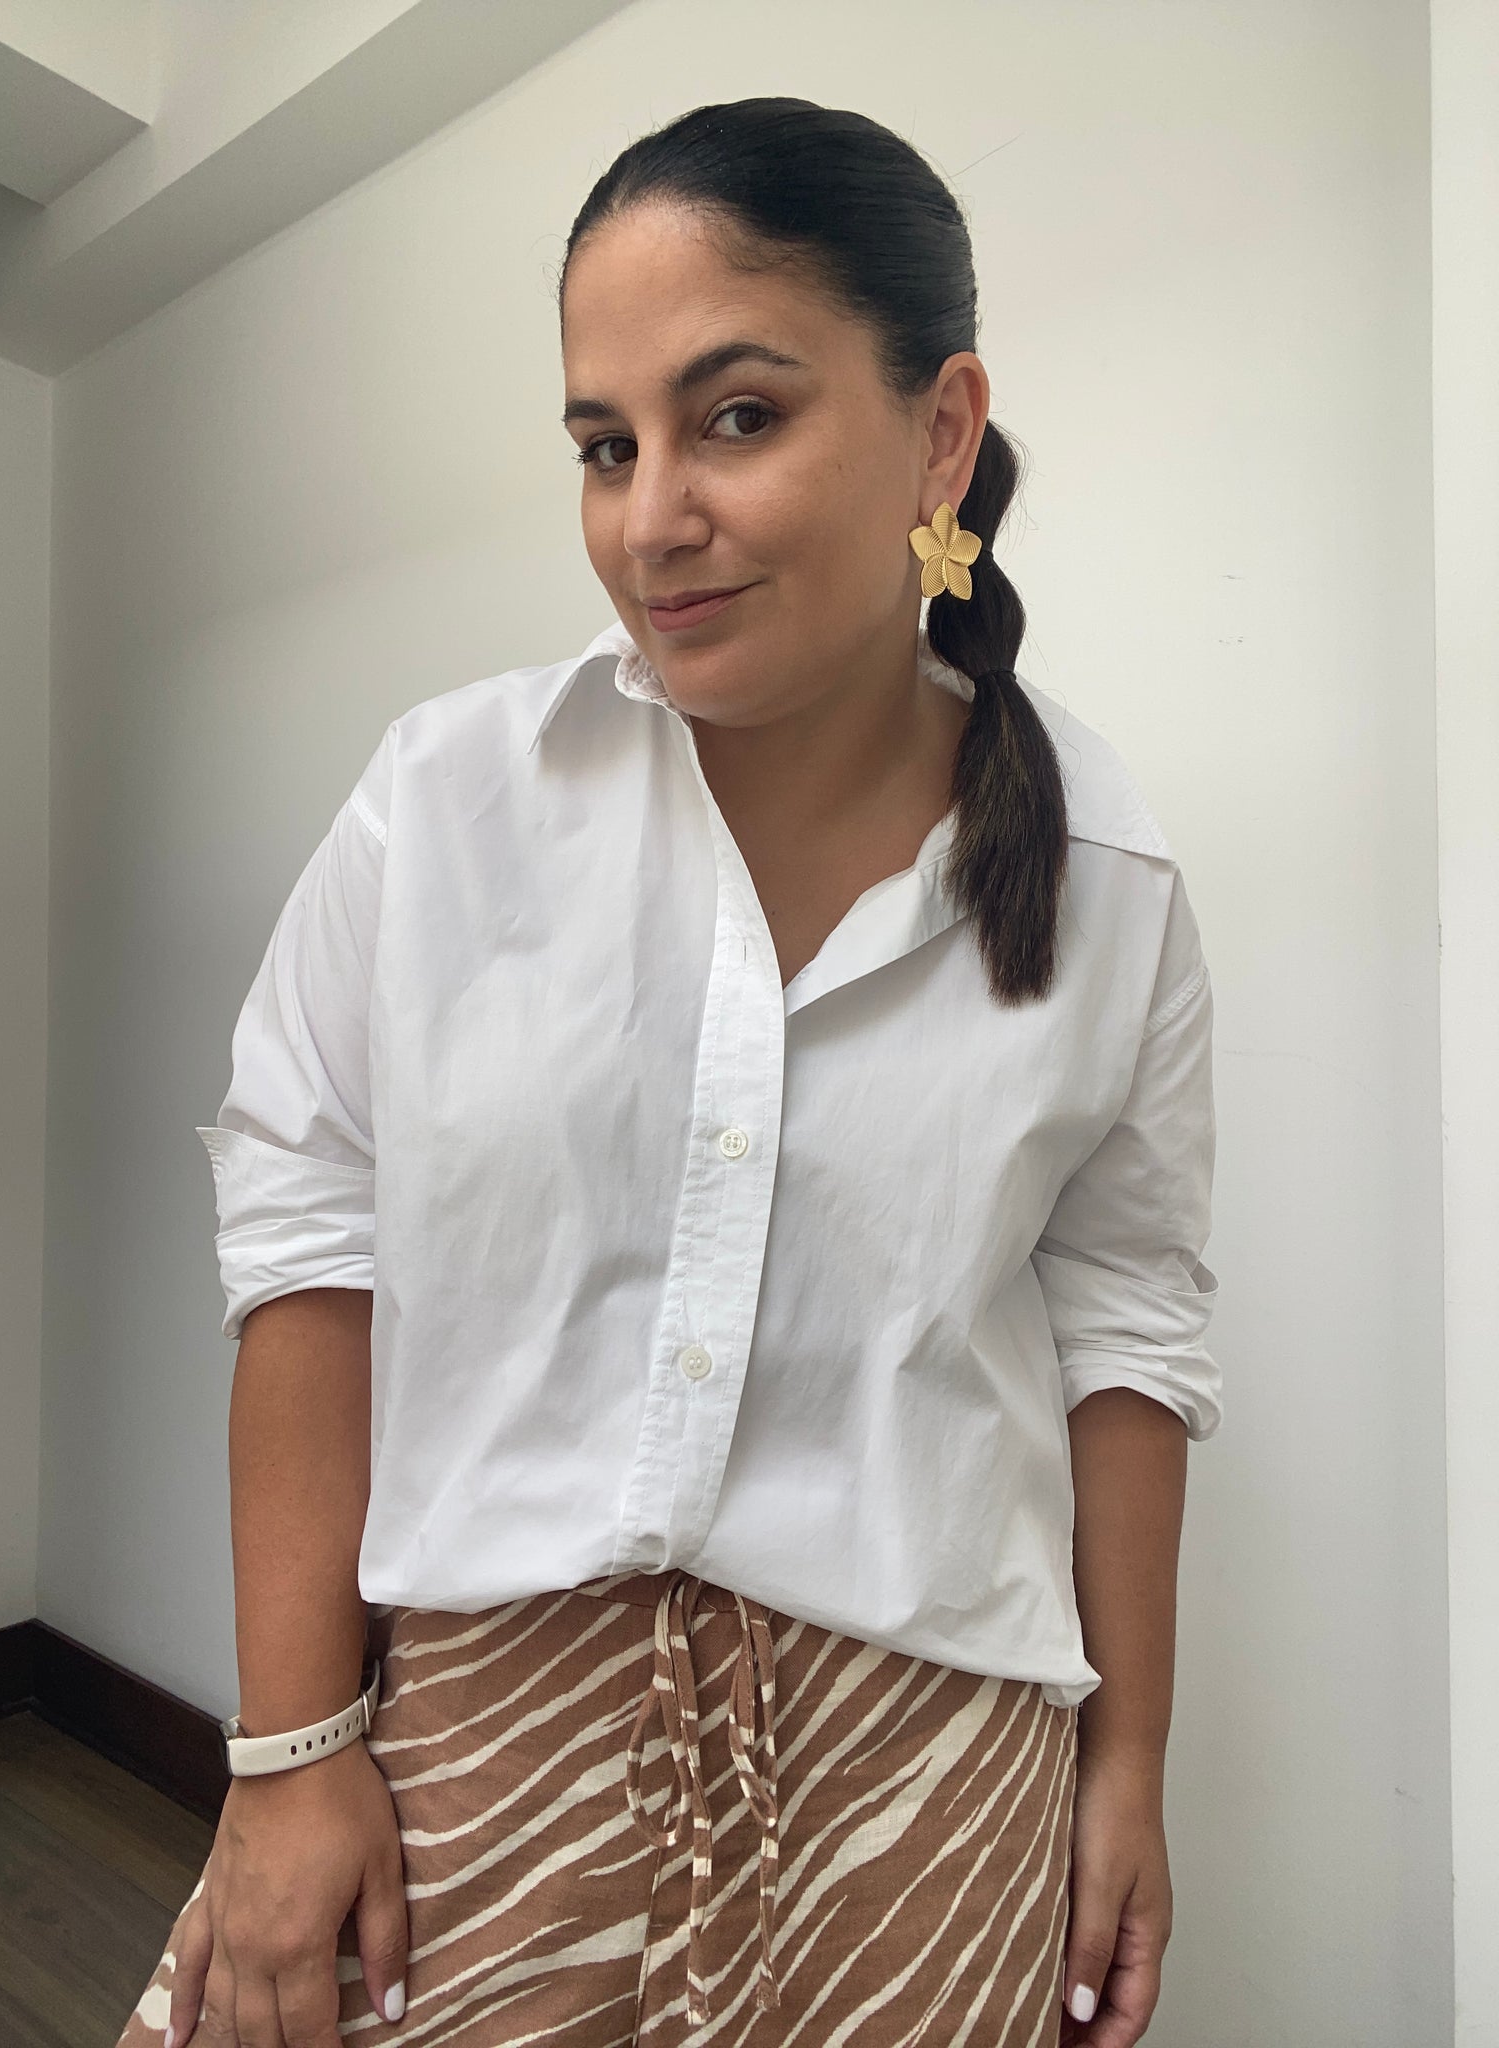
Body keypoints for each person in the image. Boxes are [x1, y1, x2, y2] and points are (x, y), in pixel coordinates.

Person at [118, 95, 1221, 2048]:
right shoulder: (448, 804)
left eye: (736, 417)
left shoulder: (1106, 878)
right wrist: (292, 1746)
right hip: (471, 1744)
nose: (649, 520)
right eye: (605, 445)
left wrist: (1126, 1761)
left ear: (941, 433)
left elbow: (1128, 1321)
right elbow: (308, 1229)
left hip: (928, 1785)